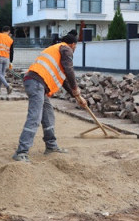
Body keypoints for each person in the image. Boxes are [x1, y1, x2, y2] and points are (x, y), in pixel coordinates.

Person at [12, 30, 87, 162]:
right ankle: (21, 152)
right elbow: (69, 70)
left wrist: (76, 96)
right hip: (37, 83)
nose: (75, 49)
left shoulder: (56, 50)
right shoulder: (66, 49)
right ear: (73, 44)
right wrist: (76, 89)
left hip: (37, 83)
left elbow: (63, 80)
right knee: (35, 116)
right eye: (75, 46)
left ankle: (51, 145)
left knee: (48, 114)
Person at [0, 26, 15, 94]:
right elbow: (11, 51)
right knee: (2, 74)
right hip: (6, 58)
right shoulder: (10, 39)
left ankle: (7, 86)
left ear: (2, 30)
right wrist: (11, 61)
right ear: (9, 31)